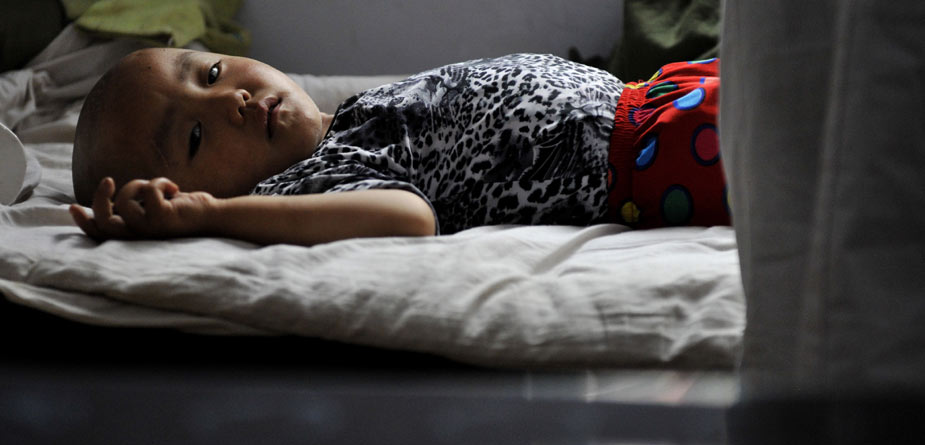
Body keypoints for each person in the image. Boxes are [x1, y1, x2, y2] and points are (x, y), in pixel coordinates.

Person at [70, 48, 729, 247]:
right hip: (657, 153)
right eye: (193, 136)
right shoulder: (308, 180)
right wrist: (208, 216)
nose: (229, 101)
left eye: (211, 73)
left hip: (662, 92)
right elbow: (408, 218)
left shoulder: (348, 118)